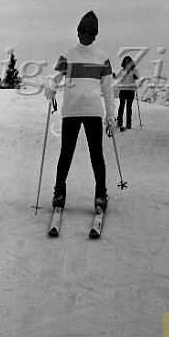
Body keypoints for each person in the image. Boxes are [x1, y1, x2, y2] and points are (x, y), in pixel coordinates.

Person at [44, 11, 115, 210]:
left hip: (93, 112)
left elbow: (108, 90)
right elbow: (55, 77)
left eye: (89, 32)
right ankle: (59, 192)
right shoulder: (68, 55)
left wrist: (110, 115)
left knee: (96, 155)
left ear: (95, 35)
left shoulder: (102, 58)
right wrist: (50, 85)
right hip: (71, 112)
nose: (85, 35)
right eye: (82, 31)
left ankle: (100, 193)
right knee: (66, 154)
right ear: (77, 32)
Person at [115, 56, 140, 130]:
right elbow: (117, 77)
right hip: (123, 90)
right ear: (124, 63)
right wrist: (113, 75)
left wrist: (135, 76)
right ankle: (120, 123)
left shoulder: (134, 70)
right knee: (121, 106)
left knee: (128, 107)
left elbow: (138, 76)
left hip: (130, 90)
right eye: (126, 62)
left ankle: (128, 124)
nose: (127, 63)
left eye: (128, 62)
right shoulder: (122, 71)